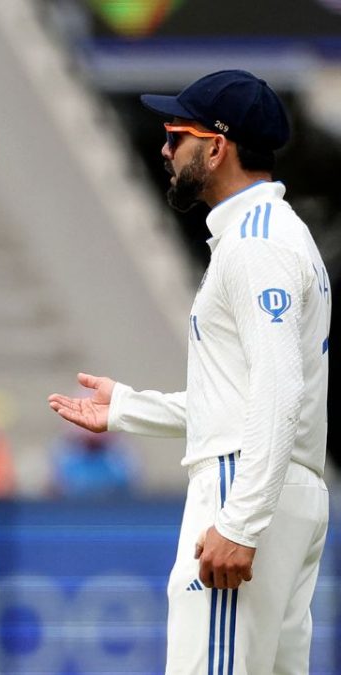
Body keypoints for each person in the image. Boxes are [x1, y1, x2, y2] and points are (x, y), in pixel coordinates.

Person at [48, 70, 330, 674]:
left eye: (176, 135)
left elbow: (279, 389)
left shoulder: (256, 245)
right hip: (284, 488)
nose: (165, 149)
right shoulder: (278, 236)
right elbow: (251, 392)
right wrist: (130, 408)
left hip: (244, 485)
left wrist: (241, 521)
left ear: (217, 147)